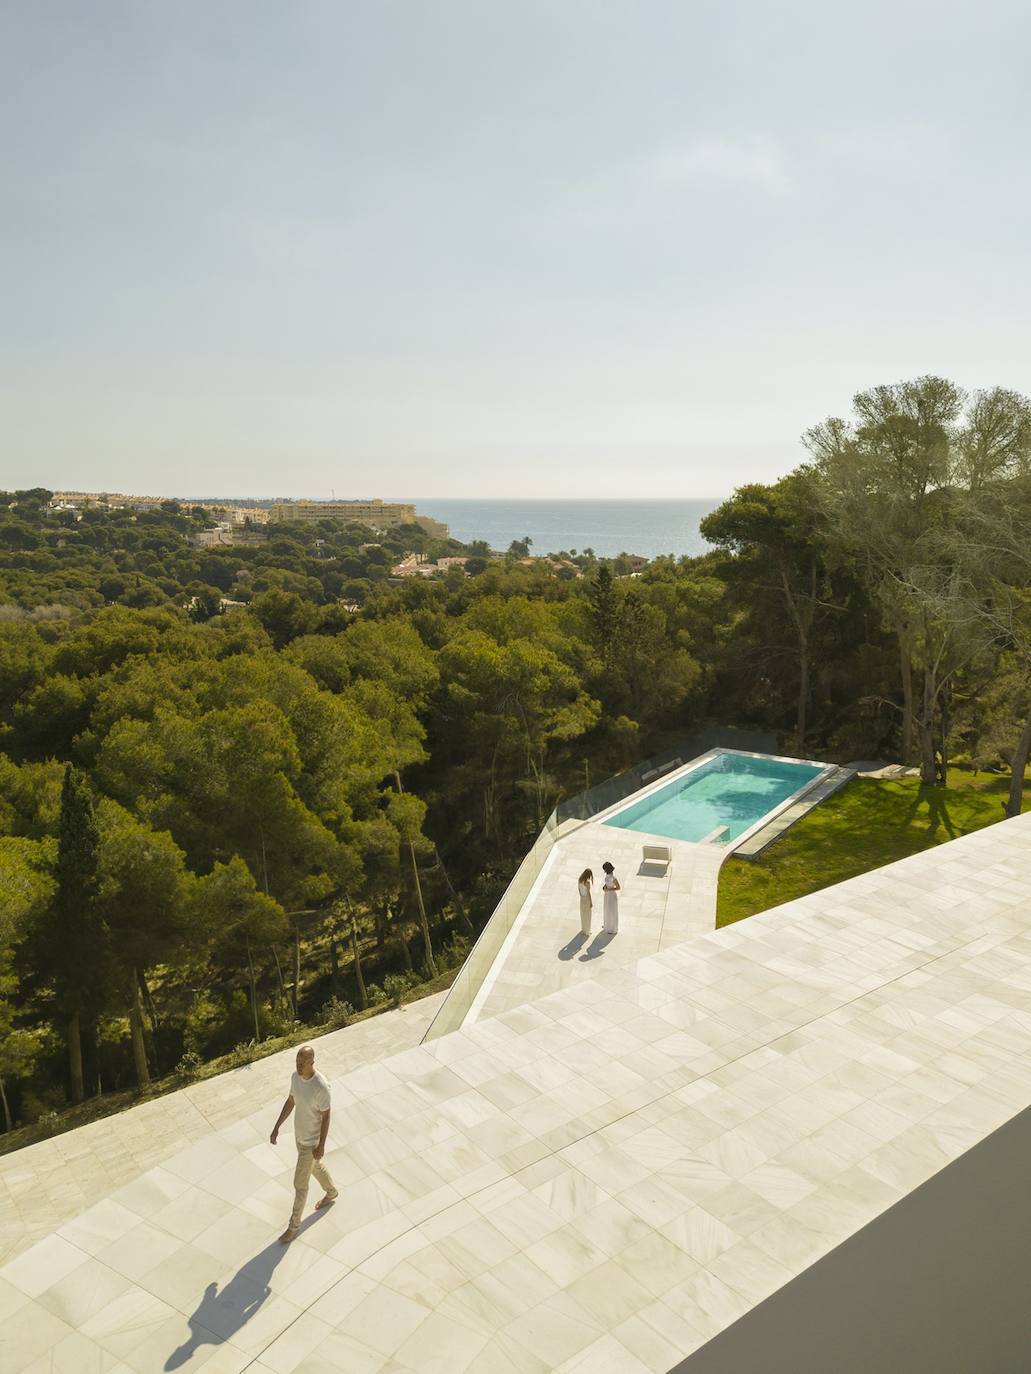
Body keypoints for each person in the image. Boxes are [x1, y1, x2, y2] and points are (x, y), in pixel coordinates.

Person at [270, 1044, 338, 1243]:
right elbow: (291, 1101)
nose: (299, 1066)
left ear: (312, 1063)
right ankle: (332, 1192)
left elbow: (326, 1117)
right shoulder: (295, 1078)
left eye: (303, 1063)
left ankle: (293, 1227)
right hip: (299, 1137)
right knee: (314, 1167)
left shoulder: (321, 1086)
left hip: (311, 1142)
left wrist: (321, 1145)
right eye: (297, 1062)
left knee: (300, 1184)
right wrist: (277, 1126)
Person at [601, 861, 620, 934]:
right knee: (606, 909)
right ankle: (607, 925)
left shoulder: (613, 878)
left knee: (612, 911)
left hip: (611, 895)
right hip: (607, 895)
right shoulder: (608, 875)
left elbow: (618, 887)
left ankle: (612, 928)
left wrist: (608, 889)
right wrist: (605, 887)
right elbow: (607, 883)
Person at [577, 868, 594, 936]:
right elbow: (588, 893)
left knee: (583, 914)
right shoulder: (587, 882)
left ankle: (584, 929)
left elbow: (579, 889)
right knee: (588, 915)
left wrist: (581, 895)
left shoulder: (580, 880)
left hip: (582, 898)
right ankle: (587, 931)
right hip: (586, 899)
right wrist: (591, 902)